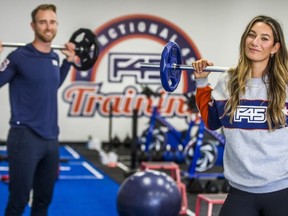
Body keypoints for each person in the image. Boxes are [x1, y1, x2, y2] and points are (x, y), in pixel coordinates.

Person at [192, 15, 288, 216]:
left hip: (282, 190)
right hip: (240, 192)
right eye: (252, 35)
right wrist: (201, 83)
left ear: (275, 48)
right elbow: (211, 121)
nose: (255, 42)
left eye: (264, 38)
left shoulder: (285, 86)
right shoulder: (228, 82)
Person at [0, 4, 76, 215]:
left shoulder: (54, 57)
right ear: (33, 25)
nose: (48, 26)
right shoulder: (18, 57)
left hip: (51, 139)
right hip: (25, 137)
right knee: (19, 200)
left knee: (43, 200)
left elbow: (52, 85)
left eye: (52, 22)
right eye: (43, 22)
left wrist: (68, 62)